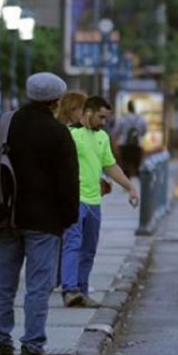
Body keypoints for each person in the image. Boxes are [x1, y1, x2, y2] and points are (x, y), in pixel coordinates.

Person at [0, 72, 79, 355]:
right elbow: (68, 183)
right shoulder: (59, 134)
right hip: (44, 224)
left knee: (2, 286)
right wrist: (68, 219)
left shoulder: (5, 124)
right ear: (56, 101)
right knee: (38, 287)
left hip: (4, 217)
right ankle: (32, 350)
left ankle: (2, 350)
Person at [61, 96, 139, 308]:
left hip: (94, 201)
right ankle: (69, 290)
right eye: (101, 117)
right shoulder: (71, 134)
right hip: (74, 199)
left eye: (106, 118)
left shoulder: (102, 137)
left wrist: (130, 187)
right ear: (88, 112)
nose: (104, 122)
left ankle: (82, 291)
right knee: (72, 244)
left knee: (89, 249)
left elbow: (110, 166)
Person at [114, 100, 147, 178]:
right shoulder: (141, 119)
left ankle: (126, 182)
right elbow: (144, 132)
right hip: (137, 145)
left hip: (125, 145)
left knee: (125, 164)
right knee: (137, 164)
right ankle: (139, 184)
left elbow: (117, 131)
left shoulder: (123, 118)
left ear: (127, 108)